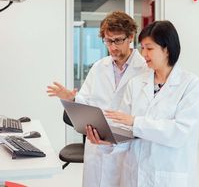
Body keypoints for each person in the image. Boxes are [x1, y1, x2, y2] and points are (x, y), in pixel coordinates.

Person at [46, 11, 147, 187]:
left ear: (131, 36)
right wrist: (73, 98)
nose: (113, 47)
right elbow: (86, 102)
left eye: (118, 40)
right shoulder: (99, 67)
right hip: (97, 145)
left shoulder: (145, 68)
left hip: (128, 148)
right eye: (108, 41)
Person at [104, 20, 199, 187]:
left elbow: (179, 132)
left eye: (149, 48)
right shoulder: (136, 83)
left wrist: (136, 122)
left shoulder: (190, 84)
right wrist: (108, 137)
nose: (144, 54)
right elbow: (123, 126)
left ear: (166, 49)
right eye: (142, 48)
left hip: (168, 172)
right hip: (134, 172)